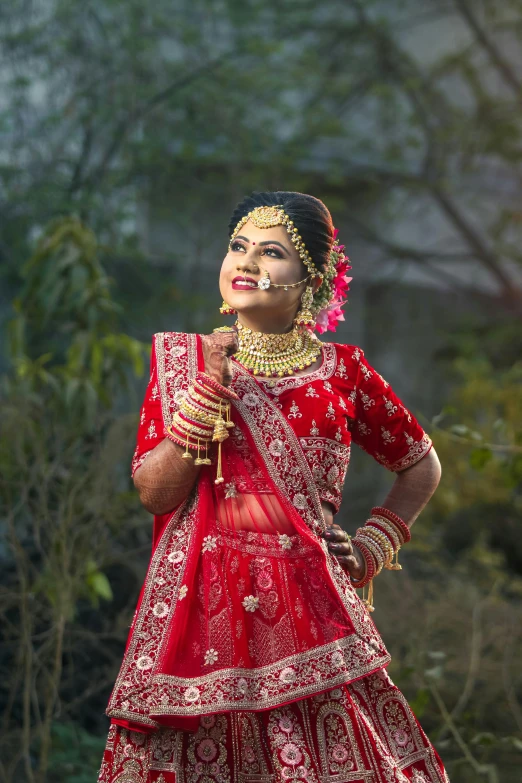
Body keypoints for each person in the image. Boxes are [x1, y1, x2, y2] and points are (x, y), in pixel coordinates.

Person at [98, 191, 449, 783]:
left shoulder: (343, 370)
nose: (248, 263)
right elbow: (155, 493)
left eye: (272, 252)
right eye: (238, 247)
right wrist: (208, 391)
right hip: (200, 615)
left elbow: (421, 464)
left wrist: (370, 548)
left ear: (312, 279)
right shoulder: (185, 362)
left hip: (311, 615)